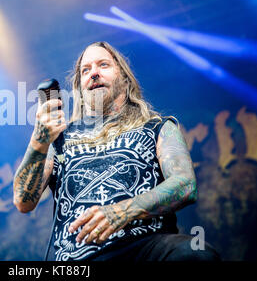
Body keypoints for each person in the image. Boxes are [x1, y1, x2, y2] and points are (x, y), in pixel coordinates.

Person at [13, 41, 220, 261]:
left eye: (103, 65)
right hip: (79, 257)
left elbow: (185, 185)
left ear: (124, 77)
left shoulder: (157, 127)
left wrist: (123, 211)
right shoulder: (60, 140)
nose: (93, 73)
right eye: (86, 70)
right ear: (80, 88)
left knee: (194, 254)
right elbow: (23, 201)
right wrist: (39, 141)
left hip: (147, 246)